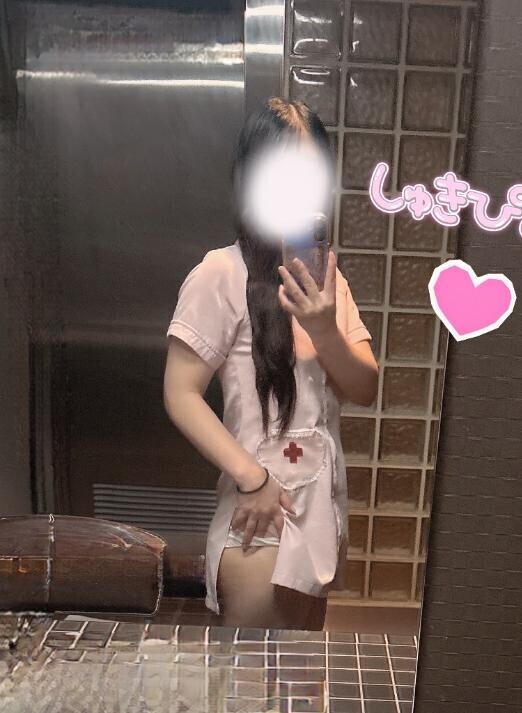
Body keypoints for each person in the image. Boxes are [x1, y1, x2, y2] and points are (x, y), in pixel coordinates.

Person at [163, 97, 378, 630]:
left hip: (321, 516)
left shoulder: (327, 281)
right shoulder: (220, 272)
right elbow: (180, 393)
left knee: (297, 678)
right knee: (254, 680)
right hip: (258, 524)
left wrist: (324, 328)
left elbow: (364, 386)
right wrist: (250, 477)